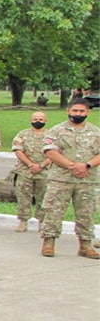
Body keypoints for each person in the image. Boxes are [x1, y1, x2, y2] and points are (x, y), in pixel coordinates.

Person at [39, 98, 100, 259]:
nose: (78, 114)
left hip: (87, 180)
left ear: (88, 112)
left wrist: (86, 165)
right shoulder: (56, 131)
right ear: (68, 111)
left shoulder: (95, 132)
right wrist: (72, 166)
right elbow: (50, 151)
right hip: (61, 179)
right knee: (53, 211)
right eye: (75, 111)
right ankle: (49, 243)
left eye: (81, 111)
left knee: (86, 213)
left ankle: (85, 246)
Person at [11, 111, 50, 232]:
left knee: (43, 198)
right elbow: (18, 150)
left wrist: (42, 165)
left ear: (45, 121)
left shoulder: (51, 136)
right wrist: (30, 164)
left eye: (41, 119)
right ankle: (23, 221)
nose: (38, 122)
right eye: (35, 119)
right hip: (25, 171)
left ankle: (42, 222)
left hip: (45, 172)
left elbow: (55, 153)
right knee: (23, 197)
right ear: (31, 120)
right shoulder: (22, 134)